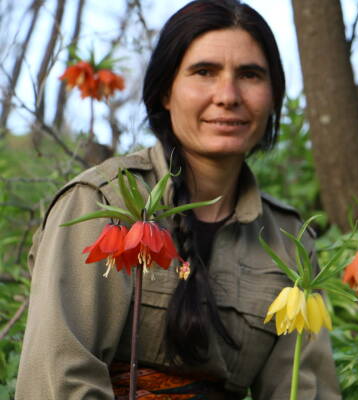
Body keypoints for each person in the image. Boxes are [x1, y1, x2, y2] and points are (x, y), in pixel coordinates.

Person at [15, 1, 341, 398]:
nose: (228, 95)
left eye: (250, 75)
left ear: (274, 97)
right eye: (204, 72)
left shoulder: (288, 238)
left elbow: (304, 391)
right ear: (165, 91)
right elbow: (58, 380)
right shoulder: (99, 202)